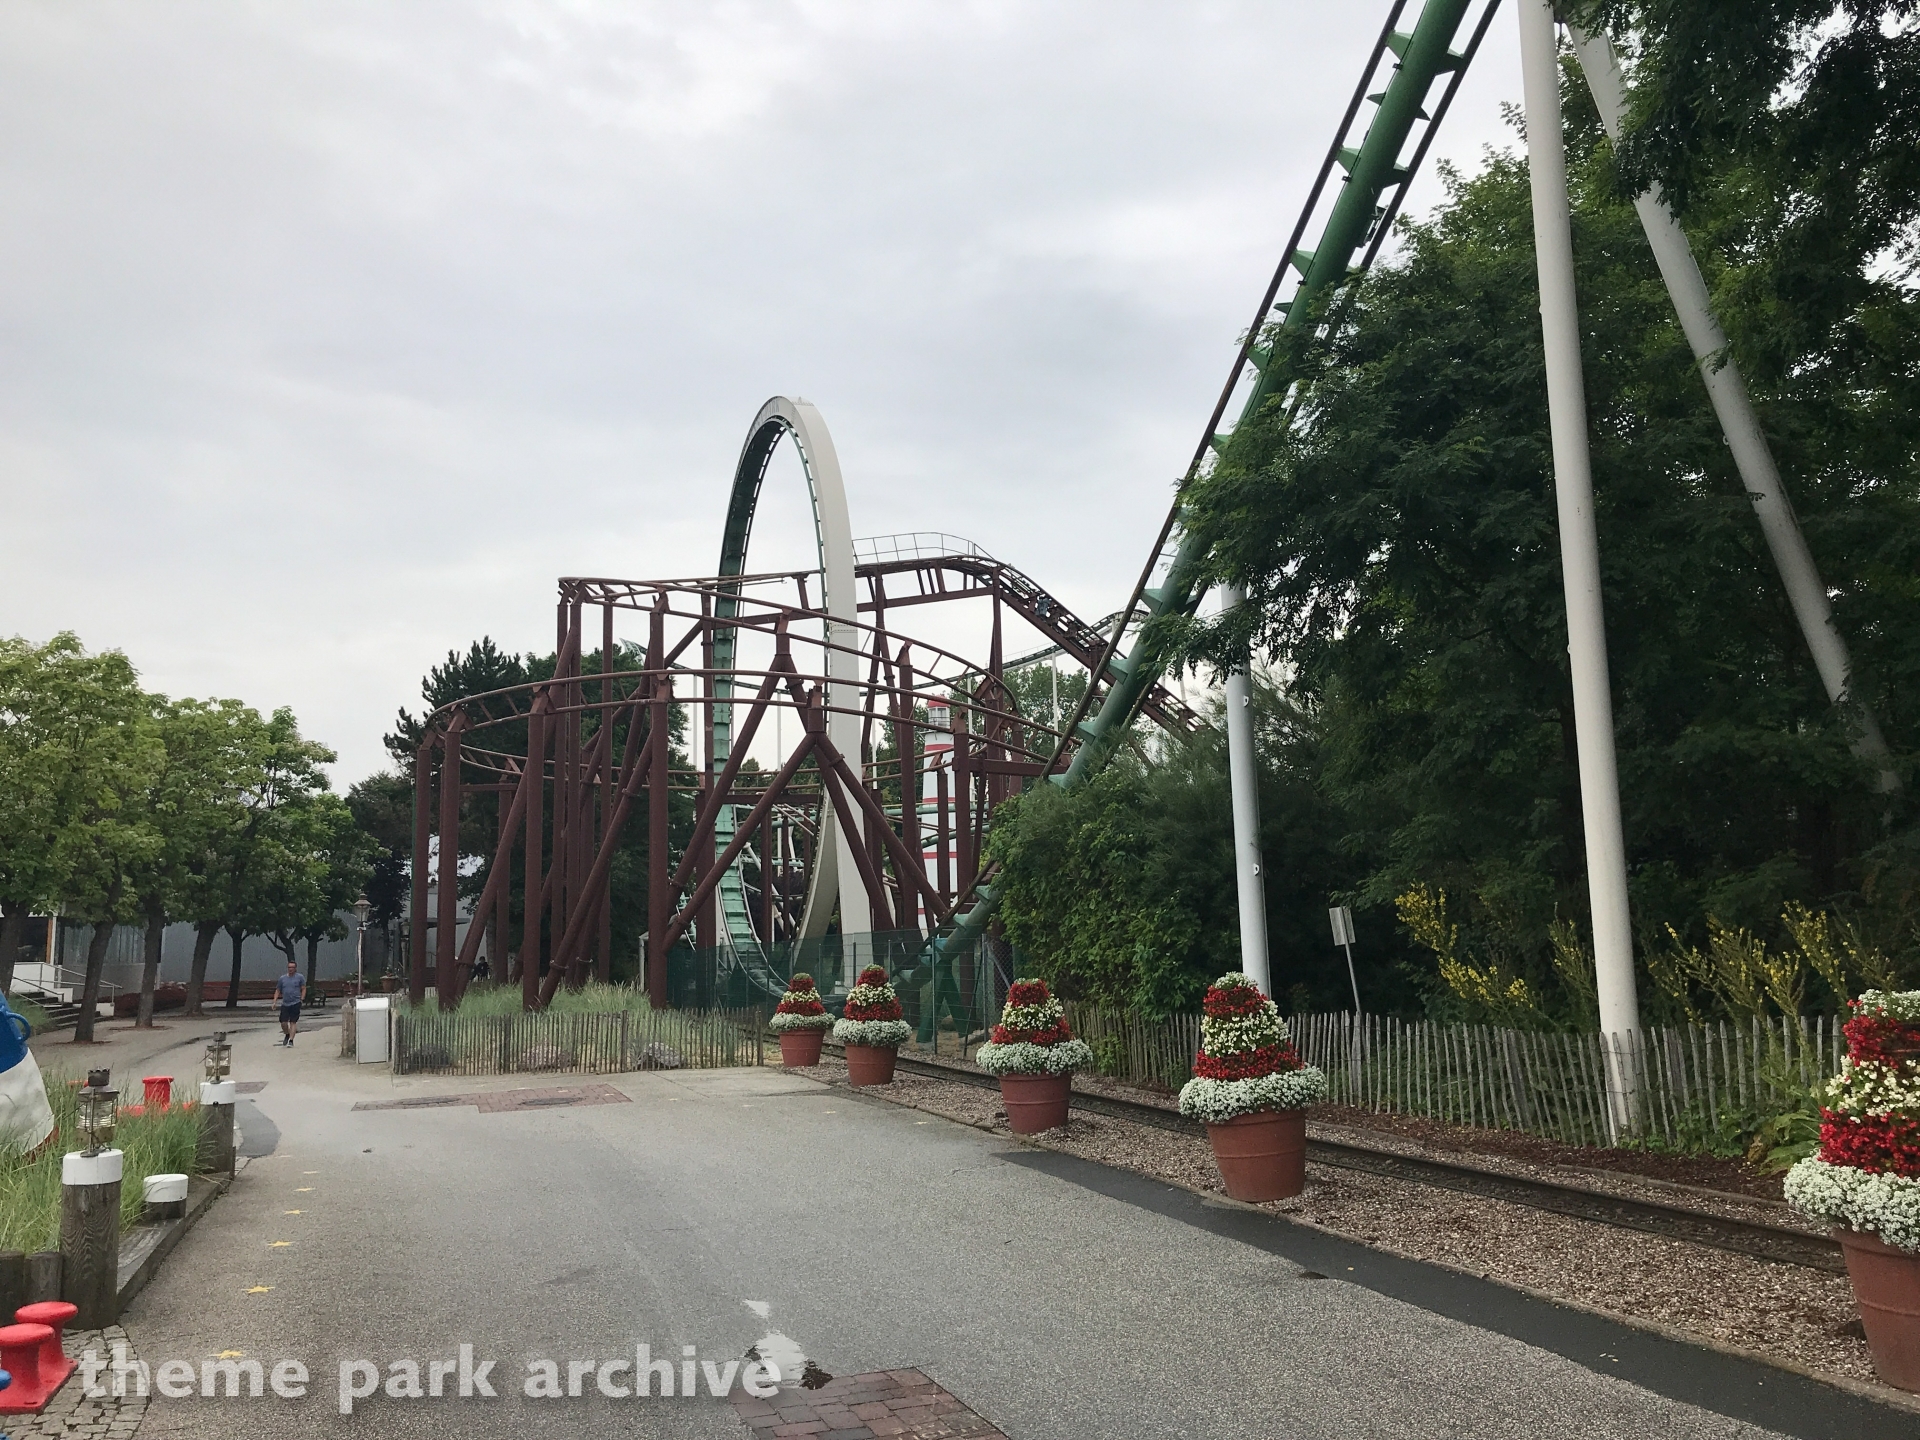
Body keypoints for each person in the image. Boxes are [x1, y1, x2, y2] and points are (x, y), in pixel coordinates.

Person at [276, 959, 307, 1047]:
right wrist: (274, 1001)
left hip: (296, 1002)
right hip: (285, 1003)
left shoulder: (300, 977)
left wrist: (302, 998)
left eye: (292, 967)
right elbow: (278, 990)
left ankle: (291, 1040)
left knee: (293, 1022)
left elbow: (303, 988)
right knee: (283, 1022)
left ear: (295, 968)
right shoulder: (282, 978)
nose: (291, 969)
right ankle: (287, 1033)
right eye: (289, 967)